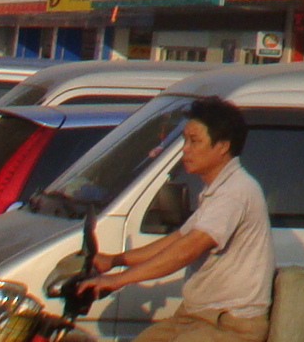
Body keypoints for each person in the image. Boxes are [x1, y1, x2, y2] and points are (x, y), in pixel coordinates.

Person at [80, 98, 274, 342]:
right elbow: (175, 241)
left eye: (194, 141)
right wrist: (114, 260)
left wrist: (118, 280)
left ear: (223, 146)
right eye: (185, 140)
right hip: (196, 316)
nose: (185, 149)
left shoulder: (234, 192)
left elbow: (185, 252)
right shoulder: (217, 190)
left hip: (228, 324)